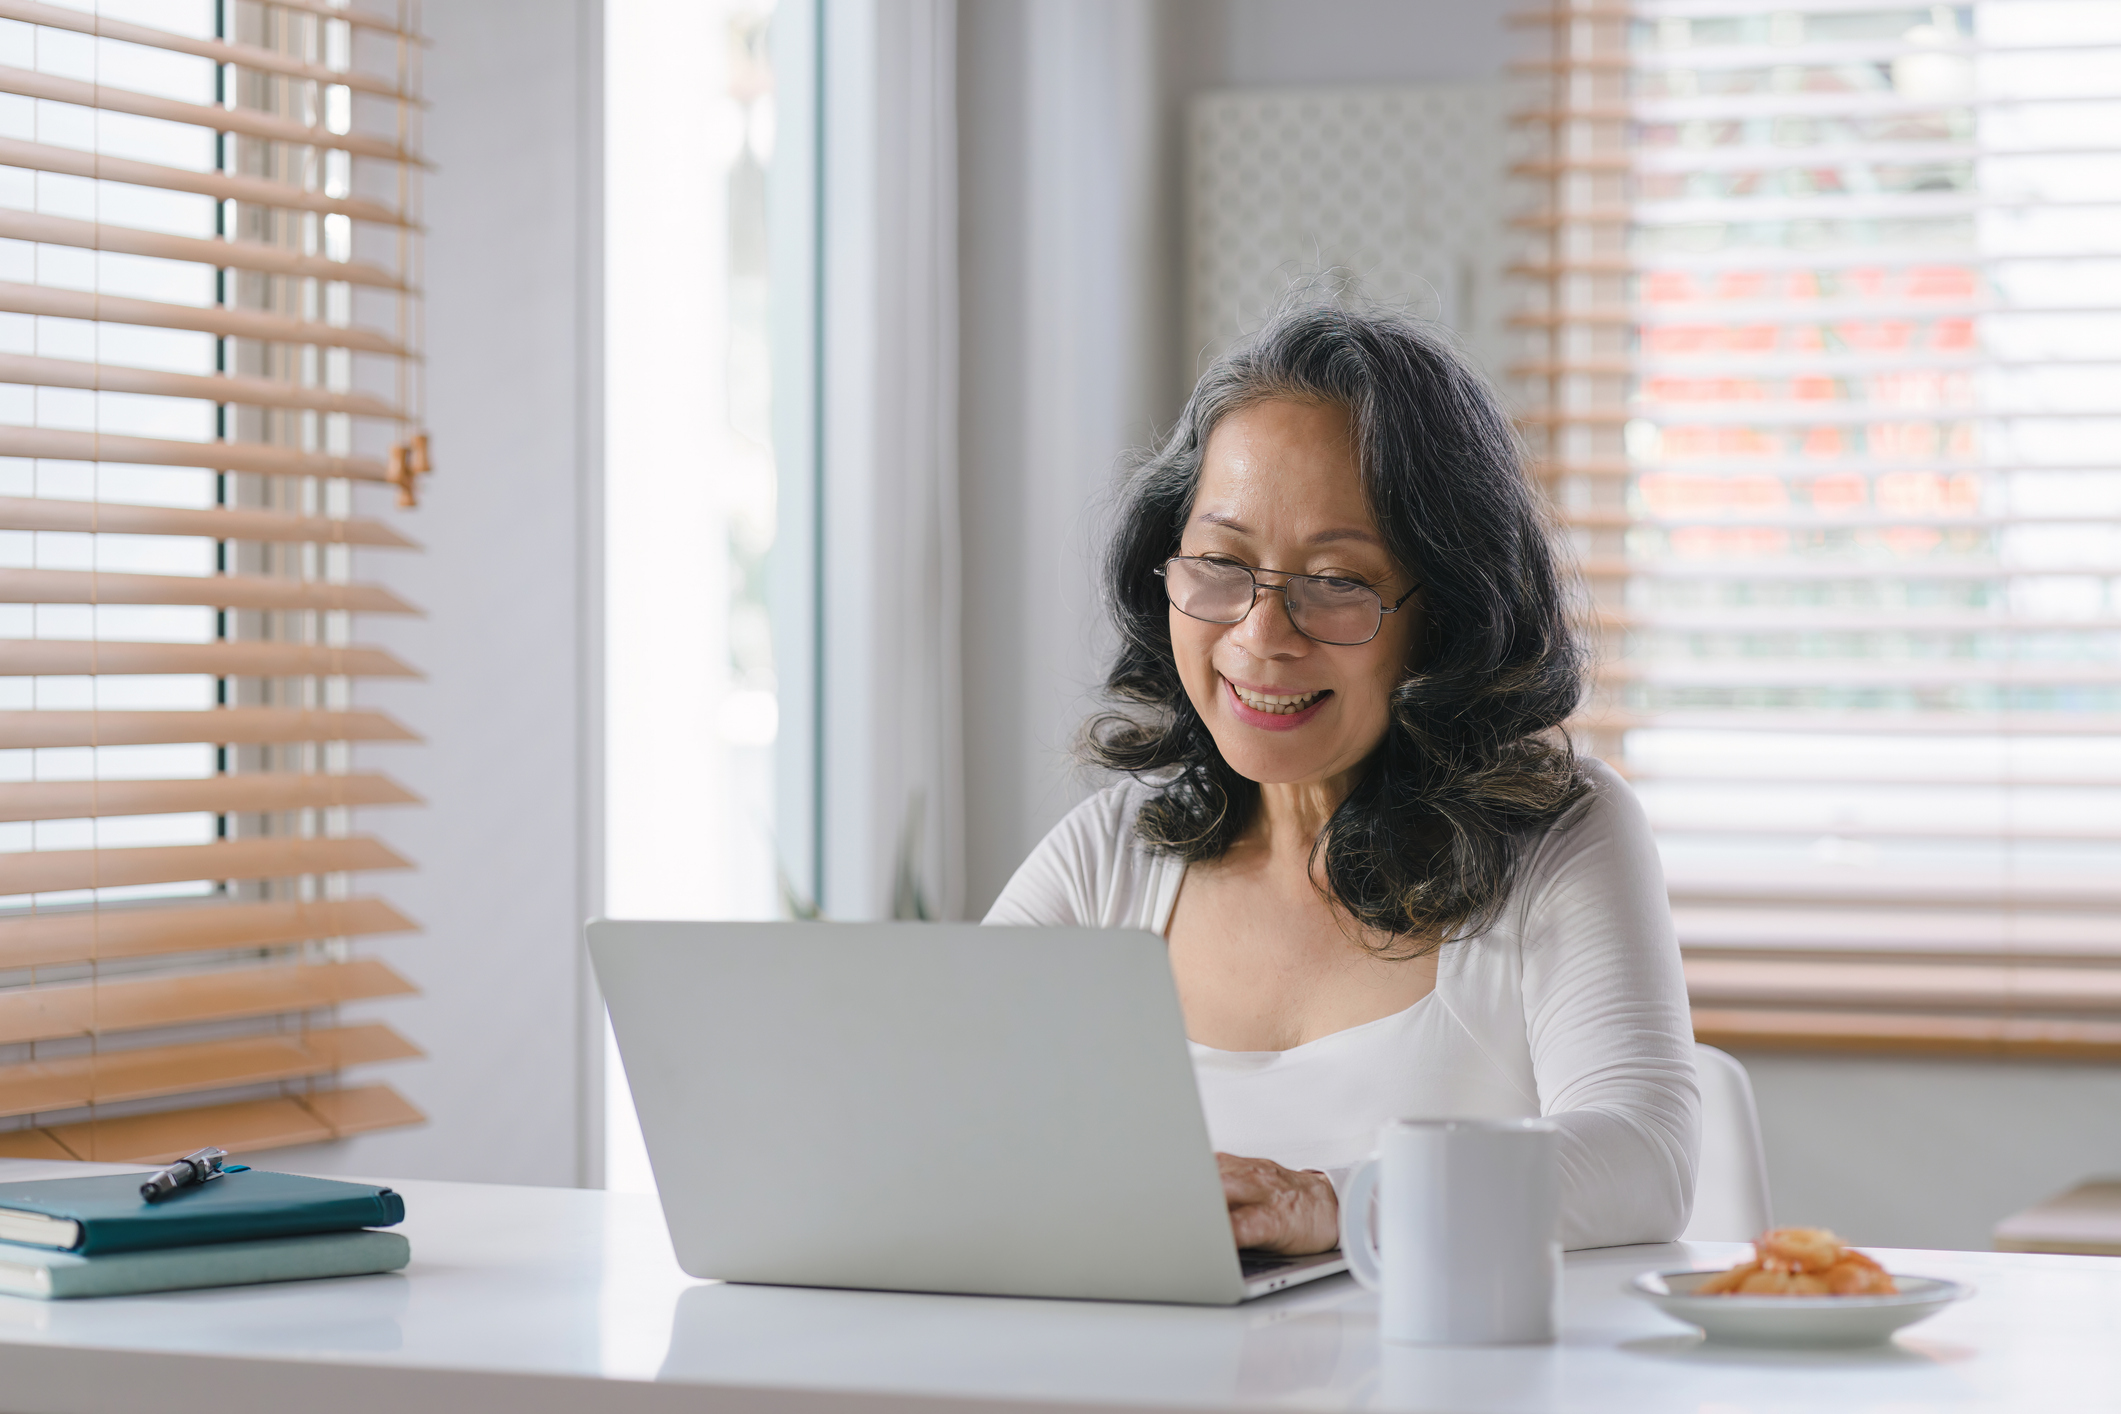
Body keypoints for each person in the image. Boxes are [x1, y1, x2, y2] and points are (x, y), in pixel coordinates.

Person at [984, 304, 1698, 1254]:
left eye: (1337, 581)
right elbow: (938, 1125)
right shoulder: (1106, 856)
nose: (1259, 636)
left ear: (1442, 616)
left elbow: (1643, 1158)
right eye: (1220, 564)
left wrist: (1338, 1205)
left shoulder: (1558, 834)